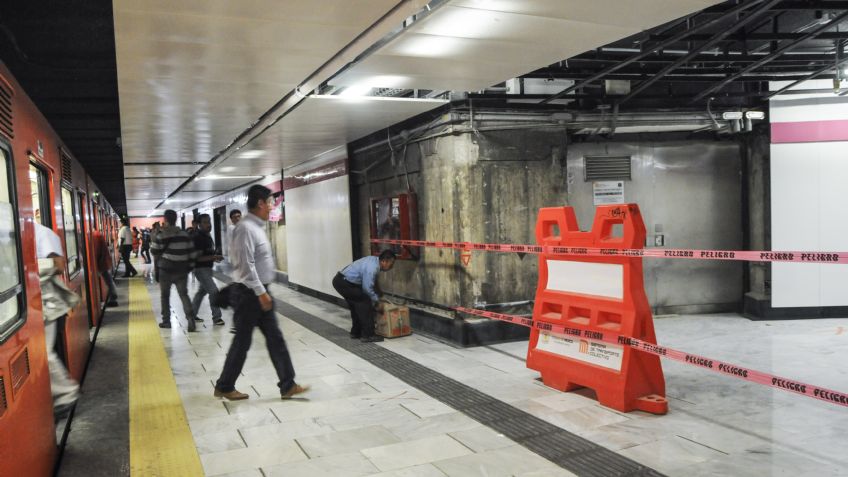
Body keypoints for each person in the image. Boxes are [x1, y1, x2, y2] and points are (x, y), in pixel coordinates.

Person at [214, 185, 308, 401]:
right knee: (242, 342)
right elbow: (246, 265)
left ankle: (288, 385)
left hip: (258, 292)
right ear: (260, 203)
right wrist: (260, 292)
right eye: (270, 203)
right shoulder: (245, 228)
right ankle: (225, 385)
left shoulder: (256, 227)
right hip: (249, 294)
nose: (271, 208)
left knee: (275, 338)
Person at [34, 221, 80, 415]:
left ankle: (67, 394)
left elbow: (60, 266)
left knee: (44, 352)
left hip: (48, 303)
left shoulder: (43, 233)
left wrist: (32, 270)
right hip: (36, 304)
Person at [332, 250, 396, 342]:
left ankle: (356, 332)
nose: (392, 266)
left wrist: (379, 293)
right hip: (344, 283)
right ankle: (368, 335)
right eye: (391, 263)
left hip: (341, 281)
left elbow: (372, 281)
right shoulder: (372, 268)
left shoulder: (374, 261)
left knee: (356, 306)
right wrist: (377, 301)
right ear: (384, 261)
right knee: (365, 302)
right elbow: (367, 288)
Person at [150, 210, 198, 331]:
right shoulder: (184, 234)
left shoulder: (161, 235)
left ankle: (166, 321)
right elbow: (192, 253)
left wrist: (154, 236)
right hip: (182, 269)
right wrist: (189, 267)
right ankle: (191, 318)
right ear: (176, 219)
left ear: (165, 220)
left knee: (165, 296)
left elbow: (154, 251)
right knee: (184, 294)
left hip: (165, 270)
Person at [192, 214, 225, 326]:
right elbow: (196, 257)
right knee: (214, 291)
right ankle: (217, 317)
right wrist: (213, 257)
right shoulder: (198, 237)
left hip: (207, 269)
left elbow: (206, 254)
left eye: (209, 221)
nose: (208, 224)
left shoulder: (207, 236)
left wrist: (214, 257)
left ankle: (191, 314)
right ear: (199, 225)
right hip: (200, 269)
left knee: (201, 292)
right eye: (205, 222)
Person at [92, 230, 118, 307]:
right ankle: (113, 297)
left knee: (108, 280)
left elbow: (96, 252)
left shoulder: (95, 236)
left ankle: (113, 298)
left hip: (102, 262)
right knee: (109, 280)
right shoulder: (97, 234)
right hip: (104, 261)